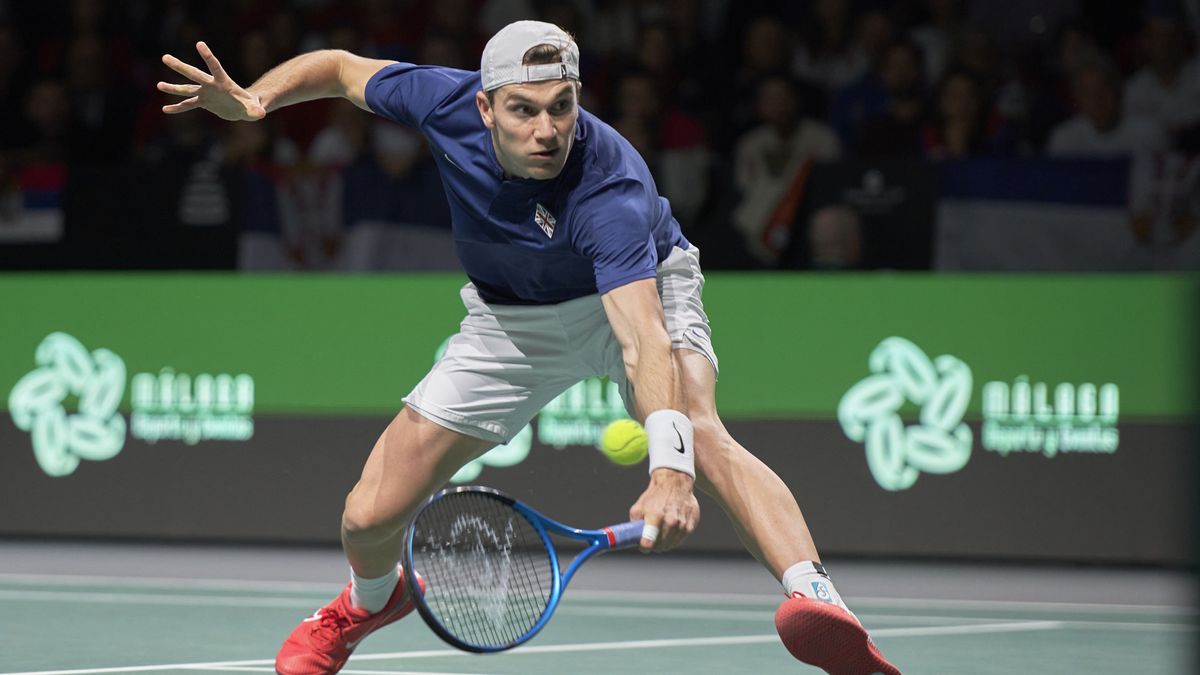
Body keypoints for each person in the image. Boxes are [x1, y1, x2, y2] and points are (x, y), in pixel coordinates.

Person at [158, 21, 900, 675]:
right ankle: (367, 605)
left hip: (635, 290)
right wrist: (258, 100)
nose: (546, 130)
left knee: (701, 431)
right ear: (485, 107)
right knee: (366, 515)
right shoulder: (443, 101)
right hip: (510, 319)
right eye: (523, 110)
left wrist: (670, 471)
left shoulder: (609, 189)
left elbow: (641, 338)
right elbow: (343, 68)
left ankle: (817, 598)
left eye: (561, 107)